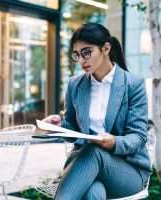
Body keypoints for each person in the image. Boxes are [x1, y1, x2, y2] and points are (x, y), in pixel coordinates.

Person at [43, 23, 151, 200]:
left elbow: (138, 137)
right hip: (87, 168)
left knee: (94, 151)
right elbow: (72, 130)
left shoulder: (133, 84)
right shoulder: (75, 85)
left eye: (87, 52)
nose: (81, 60)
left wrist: (114, 142)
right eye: (77, 54)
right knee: (94, 192)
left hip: (127, 171)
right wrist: (58, 126)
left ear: (106, 48)